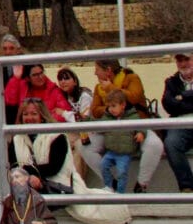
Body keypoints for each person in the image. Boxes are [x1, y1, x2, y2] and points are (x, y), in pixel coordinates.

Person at [81, 59, 162, 192]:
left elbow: (134, 97)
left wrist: (111, 89)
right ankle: (110, 183)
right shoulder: (98, 88)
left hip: (136, 125)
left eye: (97, 69)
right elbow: (95, 110)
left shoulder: (132, 78)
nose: (94, 73)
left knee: (155, 145)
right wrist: (109, 109)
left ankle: (141, 185)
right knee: (84, 146)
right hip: (111, 129)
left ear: (108, 71)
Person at [10, 98, 74, 195]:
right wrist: (28, 178)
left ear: (42, 116)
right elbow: (13, 166)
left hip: (58, 187)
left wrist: (30, 172)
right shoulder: (16, 139)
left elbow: (54, 168)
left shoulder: (57, 136)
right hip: (25, 187)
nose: (29, 118)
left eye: (34, 114)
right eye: (25, 114)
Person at [160, 52, 193, 193]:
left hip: (183, 118)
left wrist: (183, 96)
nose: (183, 64)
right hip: (181, 124)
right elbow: (168, 105)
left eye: (186, 59)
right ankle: (187, 186)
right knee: (171, 143)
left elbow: (175, 104)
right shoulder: (171, 81)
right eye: (179, 60)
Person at [100, 90, 142, 192]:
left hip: (124, 153)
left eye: (113, 106)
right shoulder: (107, 117)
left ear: (123, 105)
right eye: (109, 106)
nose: (110, 109)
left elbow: (142, 126)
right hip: (111, 151)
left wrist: (141, 133)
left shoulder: (133, 116)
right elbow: (100, 125)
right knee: (103, 166)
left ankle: (120, 194)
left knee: (122, 172)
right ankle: (109, 188)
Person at [54, 66, 92, 177]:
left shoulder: (85, 96)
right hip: (70, 132)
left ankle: (78, 182)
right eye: (60, 79)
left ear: (75, 81)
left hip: (86, 133)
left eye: (66, 78)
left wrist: (64, 113)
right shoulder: (61, 96)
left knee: (80, 149)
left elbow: (83, 119)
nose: (63, 82)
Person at [4, 64, 71, 122]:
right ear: (28, 78)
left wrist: (42, 119)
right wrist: (16, 78)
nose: (40, 77)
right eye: (35, 75)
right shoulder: (23, 87)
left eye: (41, 73)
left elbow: (65, 113)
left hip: (48, 131)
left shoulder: (54, 90)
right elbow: (9, 100)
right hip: (26, 129)